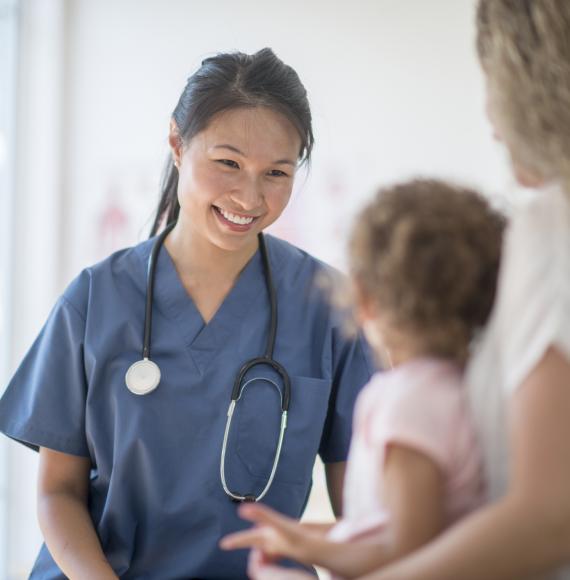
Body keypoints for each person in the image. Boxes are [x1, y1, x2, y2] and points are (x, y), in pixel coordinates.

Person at [0, 48, 374, 579]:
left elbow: (360, 512)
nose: (250, 196)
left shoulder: (328, 307)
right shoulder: (95, 299)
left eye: (277, 172)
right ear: (177, 143)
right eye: (228, 163)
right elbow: (58, 493)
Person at [244, 2, 570, 578]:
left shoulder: (549, 231)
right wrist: (324, 540)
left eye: (279, 170)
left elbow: (541, 516)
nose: (493, 124)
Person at [220, 179, 505, 579]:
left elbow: (407, 554)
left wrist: (301, 565)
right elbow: (394, 529)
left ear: (364, 299)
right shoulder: (469, 387)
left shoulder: (408, 404)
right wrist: (303, 540)